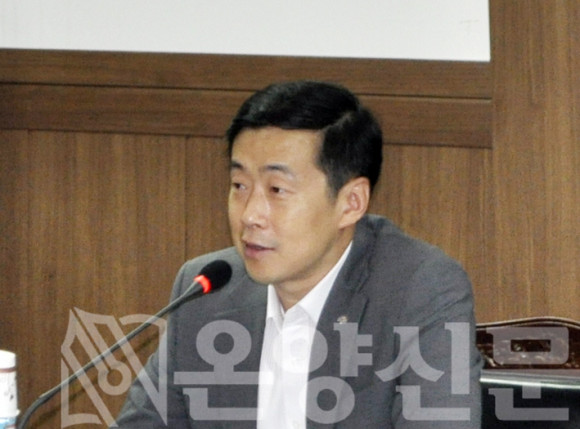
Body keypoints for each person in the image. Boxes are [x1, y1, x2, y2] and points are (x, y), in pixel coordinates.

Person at [114, 81, 482, 428]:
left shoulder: (421, 292)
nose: (250, 215)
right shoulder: (207, 293)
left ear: (351, 202)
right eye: (239, 186)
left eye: (277, 189)